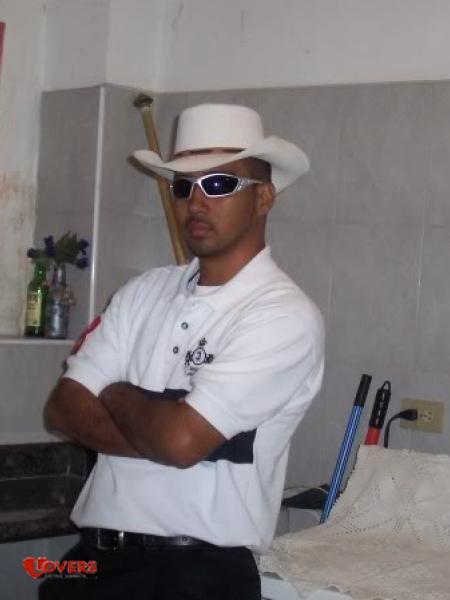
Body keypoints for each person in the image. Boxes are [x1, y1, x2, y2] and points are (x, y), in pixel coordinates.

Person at [40, 103, 325, 600]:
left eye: (219, 184)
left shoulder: (283, 316)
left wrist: (116, 392)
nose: (196, 202)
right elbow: (63, 410)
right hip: (93, 564)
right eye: (183, 186)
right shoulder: (143, 292)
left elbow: (180, 441)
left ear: (263, 198)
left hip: (196, 576)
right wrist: (172, 429)